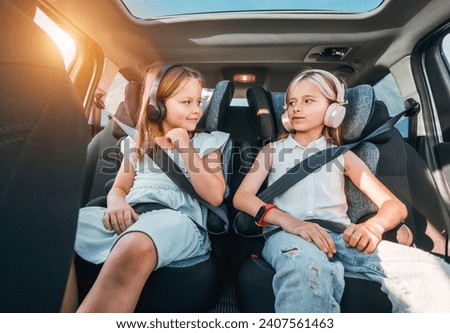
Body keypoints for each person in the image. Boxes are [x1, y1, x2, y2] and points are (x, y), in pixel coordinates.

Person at [233, 69, 450, 312]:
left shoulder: (342, 155)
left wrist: (372, 227)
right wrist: (289, 222)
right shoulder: (271, 151)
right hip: (288, 236)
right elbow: (242, 198)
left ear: (334, 110)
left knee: (433, 272)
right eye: (291, 103)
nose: (296, 108)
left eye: (308, 101)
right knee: (305, 268)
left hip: (340, 237)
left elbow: (394, 207)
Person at [74, 64, 229, 312]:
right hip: (133, 215)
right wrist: (116, 203)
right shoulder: (136, 144)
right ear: (157, 105)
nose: (196, 110)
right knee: (63, 229)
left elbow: (215, 194)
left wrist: (184, 147)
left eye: (199, 102)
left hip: (178, 221)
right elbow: (119, 188)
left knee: (133, 245)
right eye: (186, 102)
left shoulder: (207, 142)